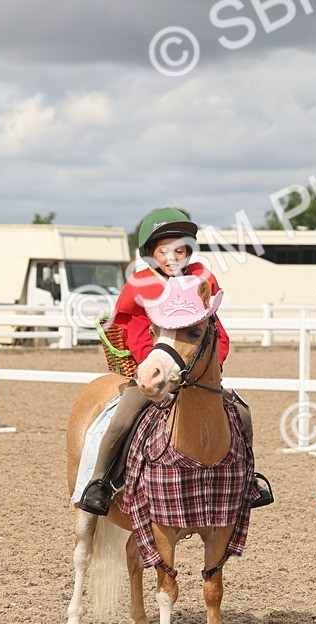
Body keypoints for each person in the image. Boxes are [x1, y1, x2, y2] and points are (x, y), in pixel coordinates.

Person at [77, 207, 250, 515]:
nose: (173, 258)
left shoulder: (200, 279)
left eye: (180, 250)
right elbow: (138, 335)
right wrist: (158, 372)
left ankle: (248, 481)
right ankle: (100, 483)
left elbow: (216, 332)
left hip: (195, 377)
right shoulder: (142, 285)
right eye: (164, 251)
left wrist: (211, 367)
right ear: (151, 254)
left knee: (241, 412)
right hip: (155, 374)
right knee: (122, 417)